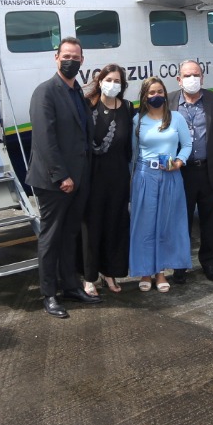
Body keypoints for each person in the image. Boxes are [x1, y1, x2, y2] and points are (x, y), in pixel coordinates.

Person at [26, 37, 100, 318]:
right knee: (51, 237)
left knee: (70, 235)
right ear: (56, 58)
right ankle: (49, 294)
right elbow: (45, 140)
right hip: (55, 181)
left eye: (75, 57)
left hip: (78, 178)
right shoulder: (45, 92)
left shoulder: (76, 92)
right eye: (66, 56)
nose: (71, 61)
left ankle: (70, 286)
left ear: (82, 61)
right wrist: (61, 176)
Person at [129, 77, 192, 292]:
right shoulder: (138, 121)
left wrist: (180, 161)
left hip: (171, 175)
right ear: (144, 97)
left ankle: (161, 272)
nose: (156, 96)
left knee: (167, 224)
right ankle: (145, 271)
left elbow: (187, 144)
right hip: (145, 175)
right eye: (151, 92)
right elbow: (133, 153)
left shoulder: (176, 118)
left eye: (159, 91)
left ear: (165, 93)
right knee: (144, 226)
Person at [172, 60, 213, 284]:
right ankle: (180, 265)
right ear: (179, 80)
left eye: (196, 75)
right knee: (181, 222)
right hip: (182, 173)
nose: (192, 79)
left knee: (209, 221)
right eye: (187, 75)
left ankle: (209, 262)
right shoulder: (170, 101)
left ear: (203, 78)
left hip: (208, 170)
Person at [81, 65, 132, 295]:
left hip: (118, 176)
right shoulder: (87, 105)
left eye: (117, 81)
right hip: (92, 176)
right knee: (91, 227)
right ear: (100, 81)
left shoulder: (127, 108)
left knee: (114, 225)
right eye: (108, 79)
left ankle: (109, 272)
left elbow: (129, 146)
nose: (112, 84)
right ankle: (89, 276)